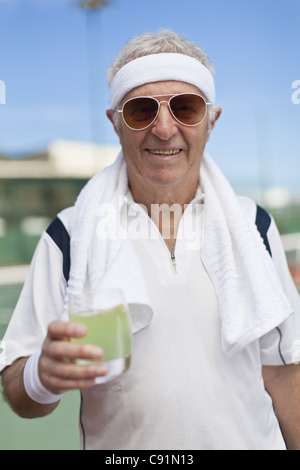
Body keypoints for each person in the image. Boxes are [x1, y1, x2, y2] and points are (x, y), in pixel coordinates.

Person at [1, 29, 300, 451]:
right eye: (141, 110)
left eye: (186, 108)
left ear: (211, 121)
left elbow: (285, 371)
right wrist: (40, 375)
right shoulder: (69, 237)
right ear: (116, 122)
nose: (164, 129)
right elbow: (17, 384)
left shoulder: (255, 225)